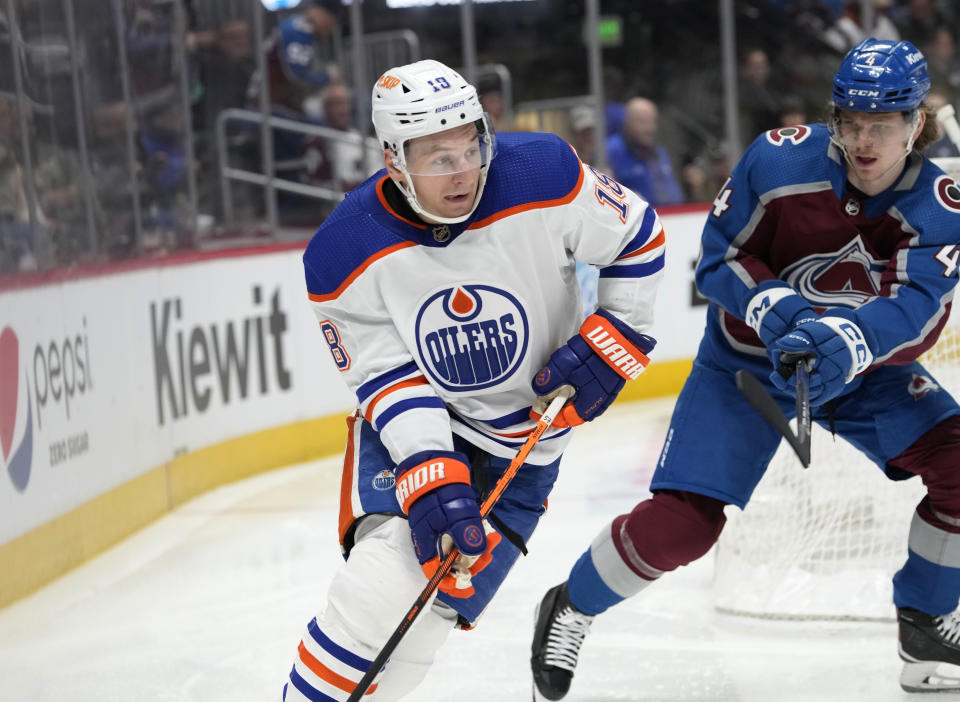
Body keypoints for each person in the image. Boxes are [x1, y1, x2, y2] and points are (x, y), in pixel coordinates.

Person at [530, 37, 960, 700]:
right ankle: (570, 606)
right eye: (851, 124)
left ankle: (927, 622)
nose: (864, 143)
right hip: (745, 366)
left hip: (859, 370)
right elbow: (716, 260)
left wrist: (847, 340)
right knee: (683, 528)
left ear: (917, 125)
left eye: (882, 127)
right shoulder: (780, 159)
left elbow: (919, 312)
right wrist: (777, 308)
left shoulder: (940, 202)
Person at [283, 59, 665, 701]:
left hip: (529, 451)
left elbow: (637, 235)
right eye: (437, 158)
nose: (462, 171)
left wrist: (618, 336)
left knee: (420, 632)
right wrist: (431, 465)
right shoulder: (343, 250)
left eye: (471, 144)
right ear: (393, 158)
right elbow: (389, 376)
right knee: (377, 592)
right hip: (422, 430)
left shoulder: (546, 174)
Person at [605, 97, 684, 207]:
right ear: (628, 122)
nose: (650, 128)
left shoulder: (658, 150)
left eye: (653, 122)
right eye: (643, 122)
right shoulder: (612, 150)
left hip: (675, 216)